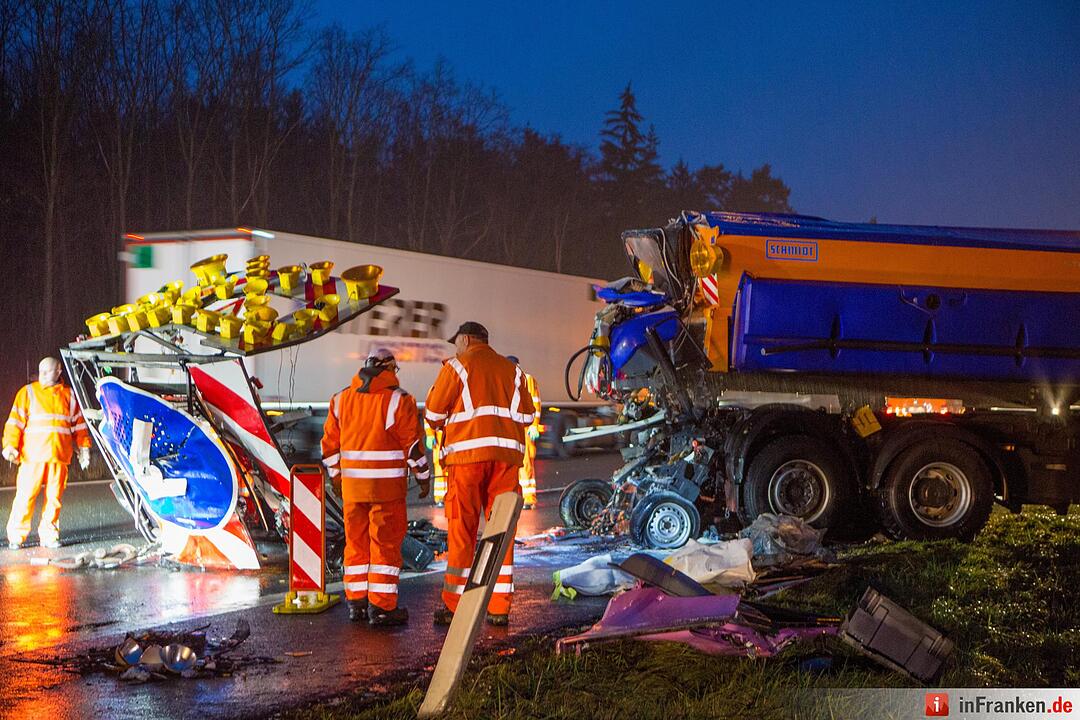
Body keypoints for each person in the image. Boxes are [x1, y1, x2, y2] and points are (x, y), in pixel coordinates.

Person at [425, 322, 534, 626]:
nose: (455, 348)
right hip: (505, 461)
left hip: (466, 462)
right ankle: (499, 607)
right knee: (501, 532)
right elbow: (526, 417)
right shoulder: (513, 371)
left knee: (463, 531)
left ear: (466, 339)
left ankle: (455, 604)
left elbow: (433, 414)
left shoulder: (457, 367)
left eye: (456, 343)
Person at [321, 348, 430, 626]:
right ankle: (381, 608)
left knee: (356, 544)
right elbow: (413, 447)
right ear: (390, 369)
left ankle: (357, 604)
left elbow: (330, 448)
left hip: (353, 491)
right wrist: (423, 478)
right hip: (386, 492)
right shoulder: (399, 400)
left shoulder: (340, 399)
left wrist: (337, 480)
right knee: (384, 545)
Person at [3, 357, 91, 549]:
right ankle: (17, 535)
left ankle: (49, 535)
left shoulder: (69, 395)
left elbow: (79, 425)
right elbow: (15, 422)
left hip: (58, 457)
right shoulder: (28, 393)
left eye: (47, 371)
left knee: (54, 499)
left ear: (59, 372)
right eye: (41, 371)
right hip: (32, 457)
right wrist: (10, 445)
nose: (42, 375)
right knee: (25, 496)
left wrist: (84, 448)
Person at [505, 356, 541, 509]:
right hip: (511, 429)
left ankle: (528, 498)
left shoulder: (527, 380)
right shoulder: (506, 381)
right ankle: (515, 498)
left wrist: (534, 425)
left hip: (525, 428)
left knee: (526, 463)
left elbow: (535, 403)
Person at [423, 419, 448, 507]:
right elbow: (429, 418)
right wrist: (430, 435)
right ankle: (441, 497)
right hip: (441, 438)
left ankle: (444, 497)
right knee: (441, 468)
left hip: (447, 437)